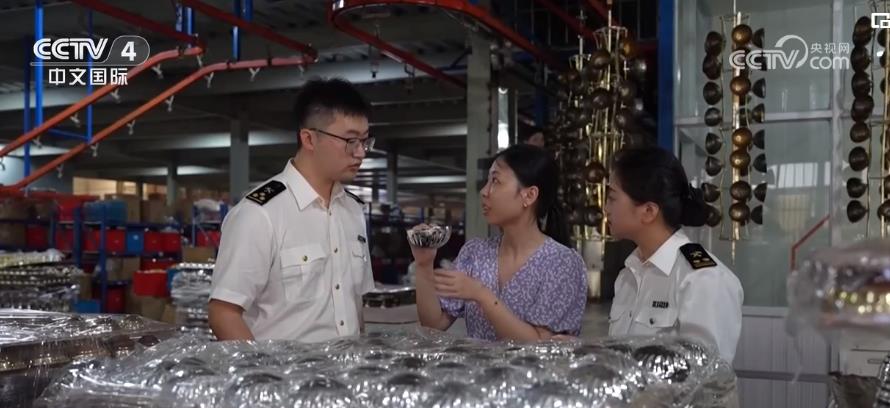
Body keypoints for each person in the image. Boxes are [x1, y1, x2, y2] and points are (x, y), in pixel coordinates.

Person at [208, 78, 376, 342]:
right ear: (309, 138)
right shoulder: (260, 214)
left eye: (365, 141)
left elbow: (358, 306)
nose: (360, 153)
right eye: (350, 140)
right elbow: (224, 313)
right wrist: (261, 368)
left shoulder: (352, 211)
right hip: (281, 368)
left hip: (348, 366)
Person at [410, 144, 588, 341]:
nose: (484, 191)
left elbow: (539, 345)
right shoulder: (475, 253)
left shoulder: (561, 263)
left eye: (495, 181)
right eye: (487, 181)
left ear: (529, 195)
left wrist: (482, 295)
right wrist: (424, 264)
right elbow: (433, 325)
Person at [605, 147, 743, 362]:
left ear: (649, 211)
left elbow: (705, 374)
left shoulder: (702, 280)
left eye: (612, 198)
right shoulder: (628, 276)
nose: (606, 208)